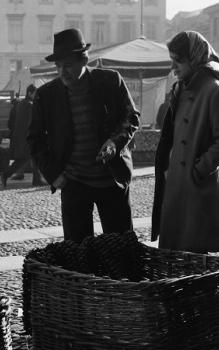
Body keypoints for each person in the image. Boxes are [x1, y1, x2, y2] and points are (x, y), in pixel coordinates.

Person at [28, 28, 140, 243]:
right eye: (58, 66)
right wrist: (53, 174)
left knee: (121, 247)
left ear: (84, 60)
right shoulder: (46, 95)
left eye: (68, 65)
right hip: (73, 182)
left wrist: (114, 143)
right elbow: (35, 139)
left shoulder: (110, 81)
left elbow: (131, 117)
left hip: (112, 179)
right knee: (78, 250)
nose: (63, 72)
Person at [151, 31, 219, 253]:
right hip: (177, 186)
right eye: (172, 60)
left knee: (197, 260)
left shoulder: (215, 91)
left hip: (197, 190)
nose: (174, 67)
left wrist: (198, 170)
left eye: (178, 61)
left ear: (195, 58)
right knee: (177, 257)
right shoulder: (180, 88)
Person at [1, 84, 44, 188]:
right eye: (35, 94)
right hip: (27, 137)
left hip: (20, 136)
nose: (36, 96)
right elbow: (31, 122)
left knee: (26, 159)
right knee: (29, 158)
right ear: (30, 93)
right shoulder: (29, 105)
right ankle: (36, 180)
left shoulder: (21, 104)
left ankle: (36, 179)